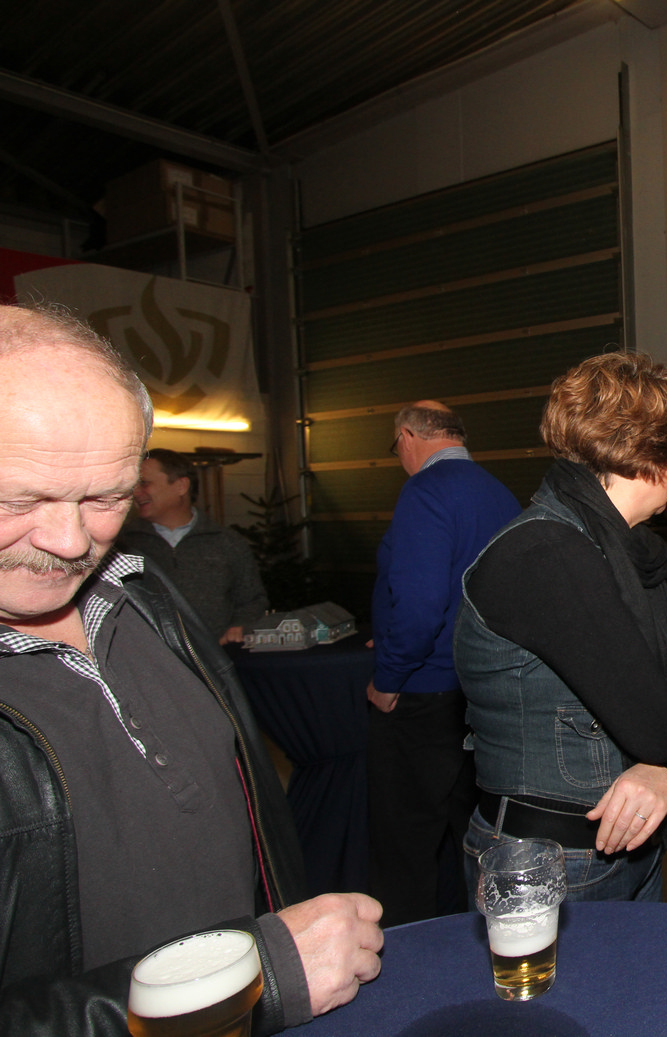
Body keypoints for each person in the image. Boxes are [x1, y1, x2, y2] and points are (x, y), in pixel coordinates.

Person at [0, 302, 381, 1036]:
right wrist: (251, 980)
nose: (71, 541)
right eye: (21, 499)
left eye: (107, 497)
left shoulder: (144, 594)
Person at [455, 353, 667, 903]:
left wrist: (666, 769)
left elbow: (664, 699)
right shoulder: (547, 552)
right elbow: (663, 721)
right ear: (654, 455)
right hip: (551, 862)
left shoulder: (623, 547)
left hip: (622, 849)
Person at [366, 401, 520, 927]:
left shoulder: (426, 490)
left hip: (423, 690)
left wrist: (389, 676)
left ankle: (405, 954)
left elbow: (421, 604)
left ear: (408, 436)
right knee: (470, 834)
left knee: (405, 842)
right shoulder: (498, 492)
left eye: (396, 446)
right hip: (480, 692)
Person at [116, 447, 268, 644]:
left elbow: (252, 600)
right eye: (133, 485)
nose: (136, 493)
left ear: (181, 486)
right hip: (146, 658)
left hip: (216, 657)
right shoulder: (121, 546)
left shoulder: (226, 542)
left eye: (144, 483)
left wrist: (239, 626)